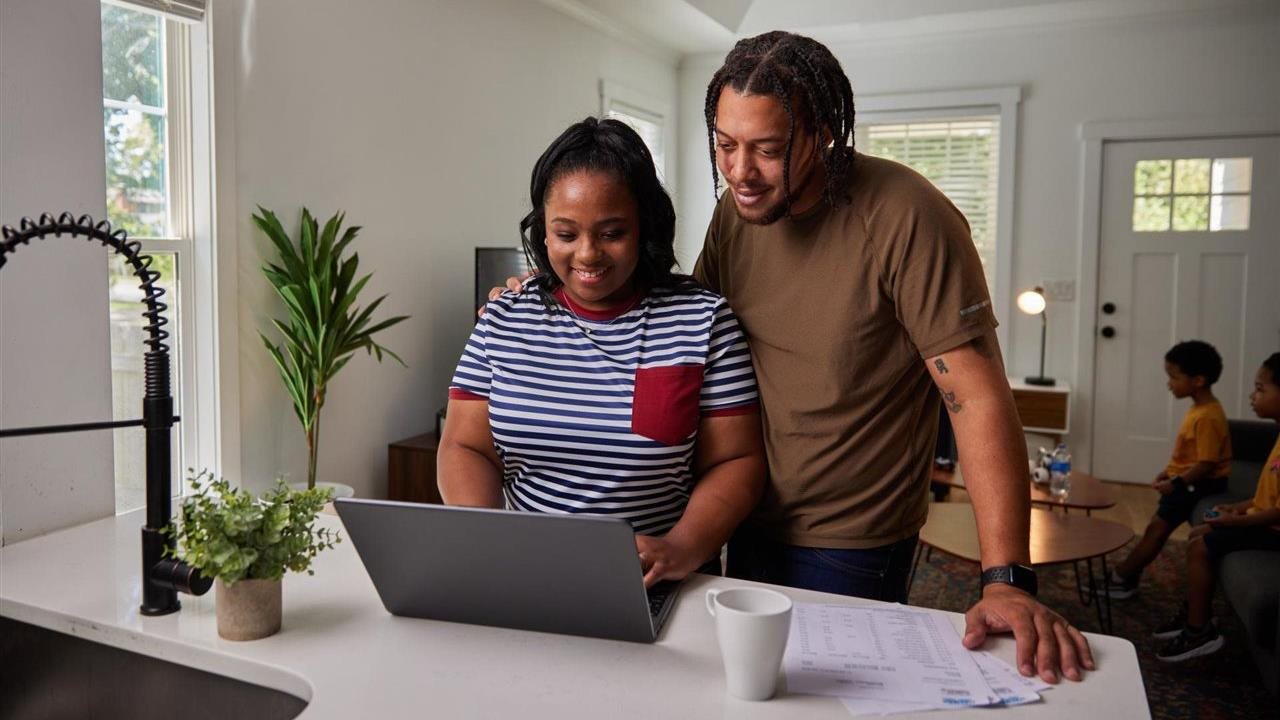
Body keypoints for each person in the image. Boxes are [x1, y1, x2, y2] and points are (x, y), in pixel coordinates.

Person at [492, 31, 1093, 684]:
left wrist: (1006, 578)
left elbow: (975, 398)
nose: (741, 172)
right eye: (725, 146)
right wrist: (548, 289)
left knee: (826, 702)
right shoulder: (738, 215)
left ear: (824, 132)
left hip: (848, 539)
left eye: (768, 150)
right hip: (737, 514)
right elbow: (680, 325)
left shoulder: (907, 218)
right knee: (739, 692)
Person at [440, 117, 766, 587]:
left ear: (645, 227)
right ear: (543, 233)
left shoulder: (703, 321)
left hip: (656, 582)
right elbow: (465, 445)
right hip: (524, 575)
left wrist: (681, 548)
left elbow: (736, 461)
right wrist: (486, 535)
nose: (588, 254)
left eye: (612, 233)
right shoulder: (503, 318)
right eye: (567, 234)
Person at [1155, 352, 1280, 662]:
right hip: (1263, 520)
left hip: (1274, 530)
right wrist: (1238, 508)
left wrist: (1237, 522)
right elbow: (1268, 497)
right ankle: (1196, 612)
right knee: (1197, 535)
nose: (1253, 396)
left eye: (1261, 389)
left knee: (1202, 546)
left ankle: (1199, 633)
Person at [1100, 340, 1233, 599]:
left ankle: (1121, 578)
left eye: (1174, 377)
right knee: (1156, 528)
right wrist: (1169, 471)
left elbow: (1207, 463)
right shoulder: (1200, 409)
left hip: (1198, 484)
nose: (1169, 384)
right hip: (1189, 481)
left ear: (1198, 381)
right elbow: (1192, 455)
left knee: (1156, 530)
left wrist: (1178, 482)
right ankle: (1125, 576)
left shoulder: (1207, 416)